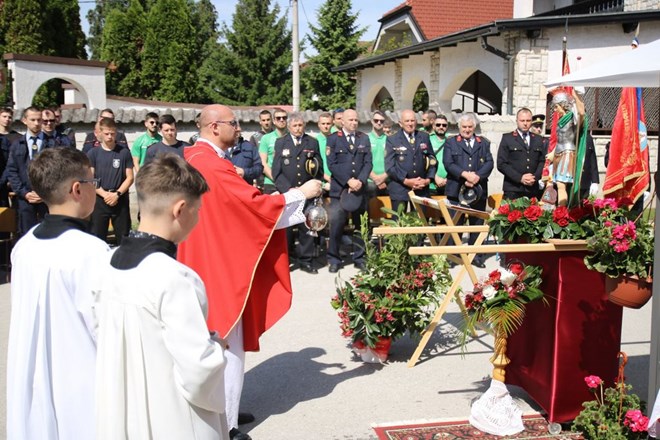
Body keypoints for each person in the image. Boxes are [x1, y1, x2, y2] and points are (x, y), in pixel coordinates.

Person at [177, 104, 322, 440]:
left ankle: (225, 405)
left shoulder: (198, 157)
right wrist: (302, 194)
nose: (239, 128)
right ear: (214, 126)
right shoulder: (210, 164)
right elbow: (253, 207)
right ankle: (223, 424)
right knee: (227, 339)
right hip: (218, 262)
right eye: (233, 123)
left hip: (208, 252)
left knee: (221, 340)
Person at [94, 154, 229, 440]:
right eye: (198, 209)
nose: (199, 216)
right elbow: (198, 370)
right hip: (171, 417)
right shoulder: (175, 278)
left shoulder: (107, 263)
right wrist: (216, 347)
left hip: (122, 408)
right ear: (180, 210)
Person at [7, 147, 110, 440]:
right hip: (79, 381)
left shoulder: (24, 246)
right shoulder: (91, 252)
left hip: (33, 377)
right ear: (78, 189)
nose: (95, 187)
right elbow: (105, 328)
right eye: (93, 182)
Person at [272, 112, 322, 274]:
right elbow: (276, 172)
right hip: (288, 193)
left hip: (307, 192)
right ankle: (284, 261)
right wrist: (289, 190)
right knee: (286, 229)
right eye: (295, 125)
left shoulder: (312, 142)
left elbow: (318, 167)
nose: (298, 128)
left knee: (306, 226)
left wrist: (311, 186)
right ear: (289, 126)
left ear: (304, 126)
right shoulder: (281, 143)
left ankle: (306, 260)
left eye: (300, 125)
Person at [443, 113, 494, 268]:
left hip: (478, 190)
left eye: (470, 127)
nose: (467, 130)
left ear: (474, 127)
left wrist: (477, 176)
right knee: (455, 224)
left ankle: (476, 256)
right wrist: (465, 175)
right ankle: (453, 256)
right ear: (459, 127)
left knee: (477, 224)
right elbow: (448, 163)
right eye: (464, 127)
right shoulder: (451, 142)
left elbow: (489, 162)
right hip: (456, 190)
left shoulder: (483, 143)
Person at [326, 109, 372, 273]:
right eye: (350, 120)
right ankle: (334, 259)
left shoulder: (364, 138)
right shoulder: (333, 139)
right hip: (340, 190)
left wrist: (360, 180)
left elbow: (368, 163)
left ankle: (360, 258)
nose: (353, 123)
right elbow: (332, 164)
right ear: (342, 122)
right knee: (337, 225)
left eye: (356, 120)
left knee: (361, 225)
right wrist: (348, 180)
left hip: (359, 189)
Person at [87, 117, 134, 245]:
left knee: (123, 238)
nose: (109, 137)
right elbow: (90, 178)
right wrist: (104, 194)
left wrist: (117, 194)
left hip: (119, 199)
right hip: (100, 200)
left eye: (112, 134)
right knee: (97, 239)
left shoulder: (124, 153)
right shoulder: (93, 153)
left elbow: (130, 177)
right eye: (106, 133)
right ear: (100, 133)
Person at [6, 107, 50, 235]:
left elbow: (57, 171)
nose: (36, 123)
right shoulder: (17, 144)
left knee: (48, 234)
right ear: (25, 120)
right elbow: (12, 171)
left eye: (39, 120)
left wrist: (44, 193)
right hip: (25, 199)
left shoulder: (52, 143)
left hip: (46, 199)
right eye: (33, 120)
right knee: (25, 235)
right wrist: (24, 193)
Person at [385, 109, 437, 213]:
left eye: (412, 121)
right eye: (407, 121)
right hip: (399, 188)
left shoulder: (424, 137)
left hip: (421, 188)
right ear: (400, 123)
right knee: (398, 224)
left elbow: (432, 160)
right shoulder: (392, 139)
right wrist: (406, 180)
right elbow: (390, 166)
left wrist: (427, 180)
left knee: (420, 224)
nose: (410, 124)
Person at [544, 89, 586, 206]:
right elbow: (559, 139)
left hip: (567, 152)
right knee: (556, 183)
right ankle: (558, 209)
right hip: (558, 152)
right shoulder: (560, 120)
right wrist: (552, 153)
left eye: (556, 106)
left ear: (563, 105)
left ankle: (562, 213)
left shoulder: (573, 119)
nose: (555, 109)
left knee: (562, 185)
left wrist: (575, 95)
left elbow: (581, 112)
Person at [496, 108, 546, 200]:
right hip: (513, 189)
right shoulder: (507, 138)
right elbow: (501, 163)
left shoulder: (538, 139)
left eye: (528, 120)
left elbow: (542, 161)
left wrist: (534, 177)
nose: (525, 123)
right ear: (517, 121)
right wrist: (520, 178)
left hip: (532, 189)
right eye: (522, 120)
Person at [259, 108, 288, 194]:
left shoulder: (292, 138)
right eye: (278, 118)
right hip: (271, 183)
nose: (281, 120)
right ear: (274, 121)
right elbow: (263, 163)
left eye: (284, 118)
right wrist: (277, 179)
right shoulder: (266, 138)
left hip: (289, 183)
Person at [430, 114, 449, 196]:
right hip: (431, 185)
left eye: (444, 125)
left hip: (447, 185)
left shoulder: (451, 141)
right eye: (438, 125)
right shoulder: (427, 140)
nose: (441, 127)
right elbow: (422, 161)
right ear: (433, 126)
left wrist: (447, 180)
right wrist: (435, 177)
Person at [315, 112, 333, 186]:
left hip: (336, 180)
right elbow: (315, 164)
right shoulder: (315, 141)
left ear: (332, 124)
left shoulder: (337, 140)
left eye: (328, 124)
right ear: (319, 125)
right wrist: (328, 178)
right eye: (323, 124)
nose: (326, 126)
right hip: (320, 181)